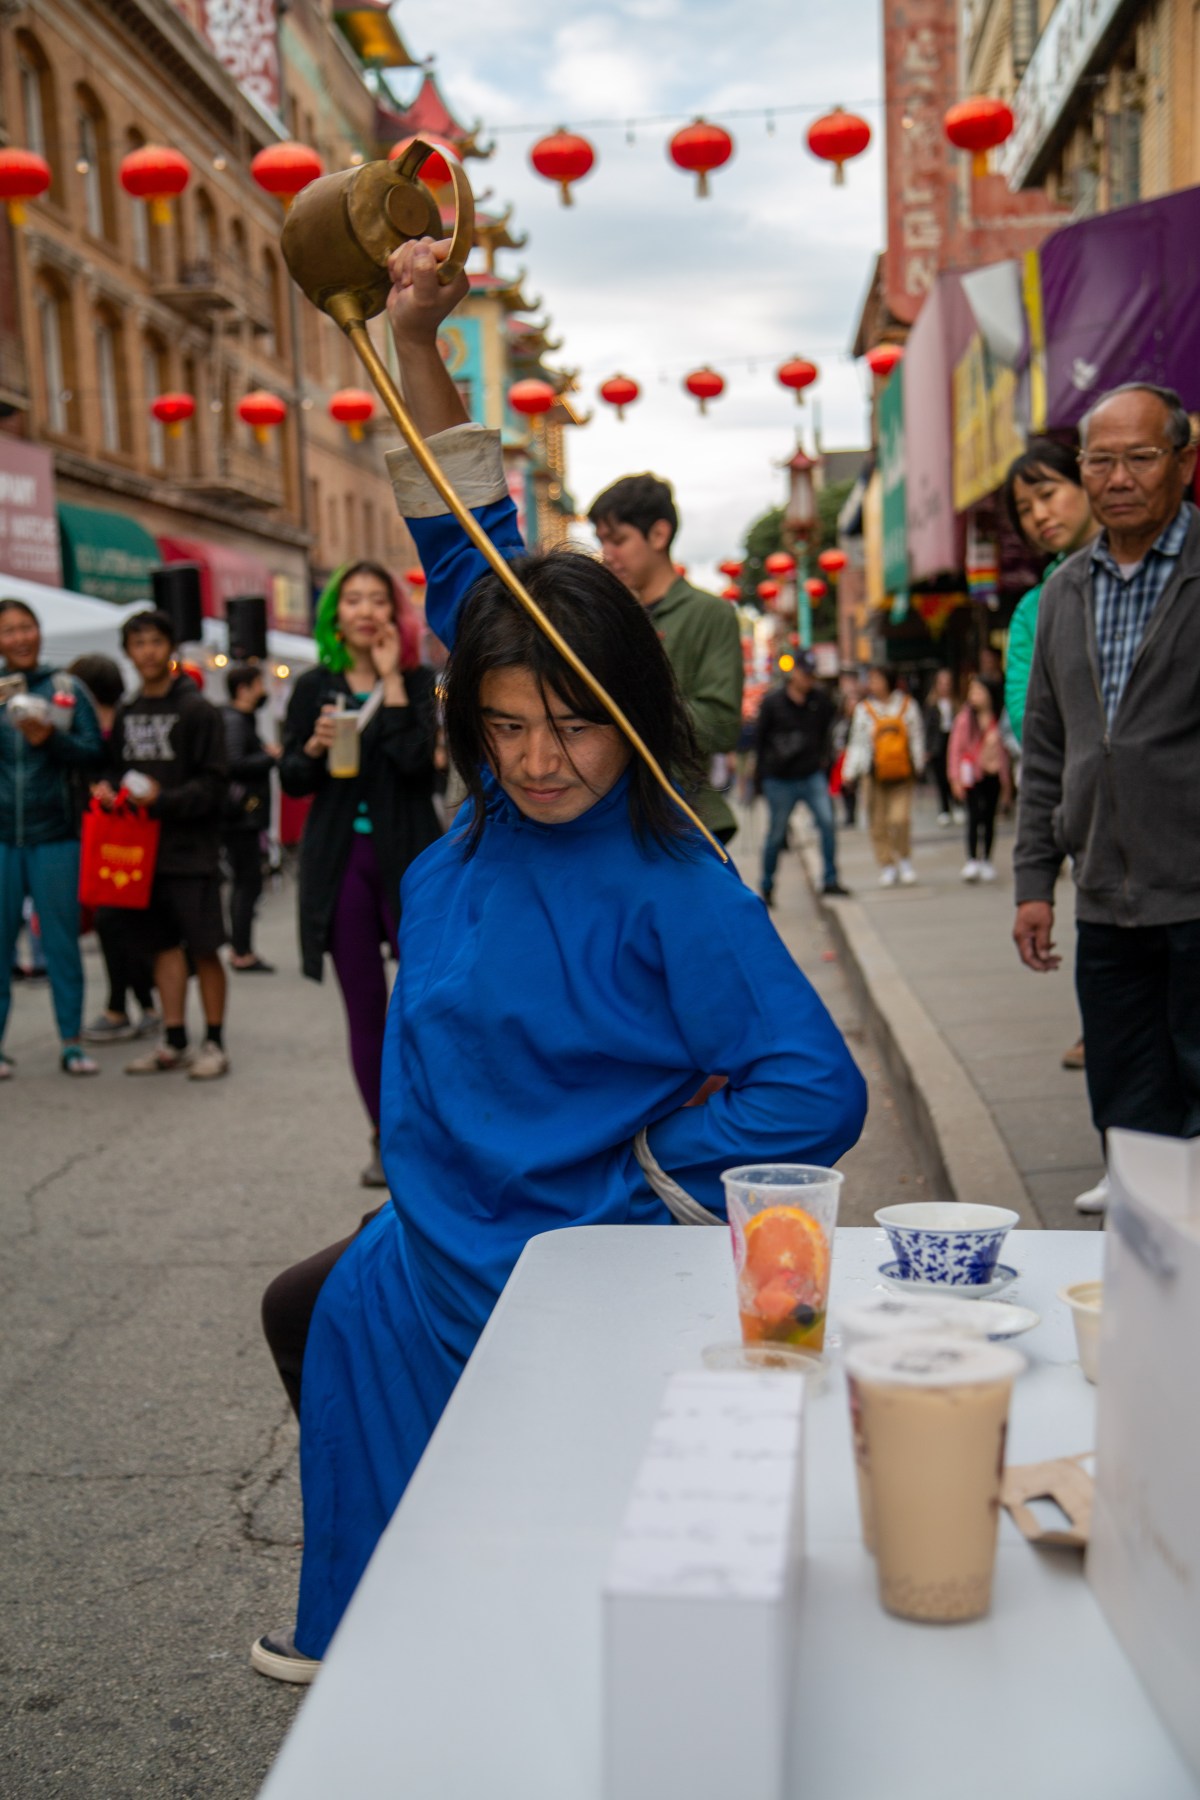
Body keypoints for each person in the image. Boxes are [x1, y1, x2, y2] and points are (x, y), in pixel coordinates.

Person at [250, 236, 868, 1684]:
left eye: (575, 728)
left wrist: (641, 1169)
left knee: (527, 1579)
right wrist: (415, 340)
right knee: (310, 1314)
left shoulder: (672, 880)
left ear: (633, 713)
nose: (538, 760)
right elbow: (465, 536)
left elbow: (813, 1088)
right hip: (437, 1231)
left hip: (559, 1254)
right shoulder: (511, 687)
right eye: (507, 727)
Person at [1014, 382, 1200, 1216]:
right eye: (1100, 459)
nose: (1118, 477)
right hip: (1105, 901)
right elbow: (1047, 751)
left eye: (1141, 457)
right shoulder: (1063, 594)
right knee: (1128, 1100)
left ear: (1185, 464)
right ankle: (1151, 1285)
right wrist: (1032, 883)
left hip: (1194, 890)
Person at [280, 562, 440, 1188]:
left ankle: (434, 1126)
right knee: (366, 1006)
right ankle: (384, 1135)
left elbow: (415, 769)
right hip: (341, 861)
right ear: (335, 615)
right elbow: (292, 778)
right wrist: (315, 747)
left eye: (379, 599)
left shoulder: (420, 681)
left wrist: (395, 683)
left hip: (408, 860)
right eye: (352, 600)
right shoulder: (315, 686)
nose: (366, 609)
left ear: (394, 615)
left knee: (425, 1002)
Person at [95, 609, 230, 1081]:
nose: (147, 651)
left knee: (205, 947)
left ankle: (214, 1041)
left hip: (191, 852)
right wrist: (109, 790)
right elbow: (114, 768)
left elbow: (215, 785)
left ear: (170, 648)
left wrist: (163, 799)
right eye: (138, 643)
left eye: (155, 642)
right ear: (128, 652)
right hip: (139, 854)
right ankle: (173, 1038)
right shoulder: (130, 711)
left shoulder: (197, 710)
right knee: (161, 949)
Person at [1002, 439, 1098, 1072]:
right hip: (1086, 802)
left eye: (1049, 492)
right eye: (1025, 506)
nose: (1039, 513)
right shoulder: (1038, 606)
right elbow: (1028, 716)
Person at [586, 473, 743, 844]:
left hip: (680, 813)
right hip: (604, 816)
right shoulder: (600, 618)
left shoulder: (709, 614)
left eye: (619, 540)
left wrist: (630, 708)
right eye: (602, 541)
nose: (607, 554)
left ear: (659, 535)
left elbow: (722, 724)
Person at [0, 599, 105, 1078]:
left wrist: (51, 740)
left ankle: (70, 1041)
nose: (21, 637)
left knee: (61, 942)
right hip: (3, 838)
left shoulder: (67, 688)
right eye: (9, 631)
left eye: (27, 627)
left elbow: (93, 753)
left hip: (58, 837)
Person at [68, 653, 160, 1043]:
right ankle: (143, 1005)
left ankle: (122, 1006)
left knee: (115, 923)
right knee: (119, 923)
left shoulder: (113, 722)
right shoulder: (106, 719)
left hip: (119, 836)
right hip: (108, 835)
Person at [755, 650, 847, 902]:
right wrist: (759, 781)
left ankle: (830, 879)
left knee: (827, 822)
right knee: (776, 834)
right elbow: (759, 741)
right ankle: (767, 885)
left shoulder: (819, 701)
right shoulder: (773, 702)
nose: (808, 679)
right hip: (779, 778)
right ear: (794, 672)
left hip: (810, 774)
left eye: (811, 675)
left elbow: (833, 727)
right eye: (804, 674)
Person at [842, 665, 925, 886]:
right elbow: (857, 743)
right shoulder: (863, 709)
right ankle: (887, 864)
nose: (872, 684)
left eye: (876, 679)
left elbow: (916, 736)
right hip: (873, 773)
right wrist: (849, 773)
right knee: (877, 822)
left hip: (902, 772)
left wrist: (918, 763)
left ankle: (904, 858)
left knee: (900, 819)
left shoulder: (907, 705)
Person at [221, 664, 279, 974]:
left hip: (243, 817)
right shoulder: (234, 720)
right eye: (259, 684)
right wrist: (271, 756)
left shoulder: (238, 720)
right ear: (243, 688)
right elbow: (233, 762)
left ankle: (240, 948)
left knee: (247, 883)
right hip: (240, 818)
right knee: (247, 883)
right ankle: (241, 951)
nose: (263, 691)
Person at [948, 677, 1012, 882]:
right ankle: (972, 859)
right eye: (972, 691)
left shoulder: (1000, 718)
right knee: (974, 817)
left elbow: (1006, 754)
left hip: (992, 775)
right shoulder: (965, 719)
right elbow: (955, 750)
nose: (974, 696)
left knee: (989, 818)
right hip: (971, 776)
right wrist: (955, 778)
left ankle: (987, 860)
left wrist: (1007, 784)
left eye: (978, 691)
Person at [922, 669, 956, 825]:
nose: (945, 686)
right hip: (938, 744)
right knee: (941, 778)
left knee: (954, 775)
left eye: (947, 683)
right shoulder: (931, 704)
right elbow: (927, 727)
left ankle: (956, 805)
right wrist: (927, 748)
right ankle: (944, 809)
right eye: (941, 683)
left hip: (954, 741)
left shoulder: (957, 703)